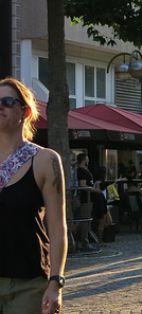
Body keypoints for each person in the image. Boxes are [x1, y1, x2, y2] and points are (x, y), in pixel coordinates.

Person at [0, 77, 67, 313]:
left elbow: (57, 227)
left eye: (7, 101)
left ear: (25, 111)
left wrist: (56, 283)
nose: (0, 106)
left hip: (28, 285)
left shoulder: (44, 160)